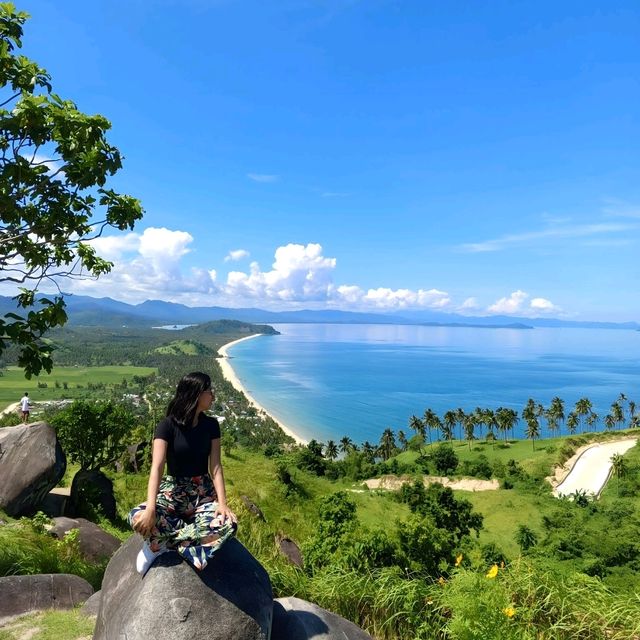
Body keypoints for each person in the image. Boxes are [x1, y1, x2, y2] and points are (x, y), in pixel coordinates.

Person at [128, 372, 237, 575]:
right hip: (172, 492)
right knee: (136, 516)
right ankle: (188, 545)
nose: (212, 395)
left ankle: (163, 541)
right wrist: (151, 507)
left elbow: (216, 467)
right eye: (209, 391)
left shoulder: (211, 425)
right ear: (196, 394)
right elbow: (157, 467)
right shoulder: (167, 426)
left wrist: (222, 504)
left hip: (202, 494)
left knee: (228, 524)